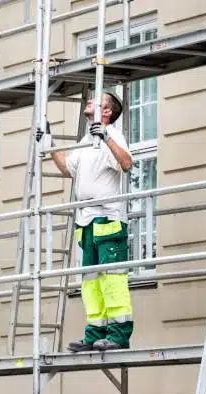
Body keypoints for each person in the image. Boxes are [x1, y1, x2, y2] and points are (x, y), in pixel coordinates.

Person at [50, 91, 134, 352]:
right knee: (90, 283)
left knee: (113, 279)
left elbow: (127, 163)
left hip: (107, 219)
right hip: (86, 222)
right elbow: (67, 168)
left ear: (107, 112)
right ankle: (95, 333)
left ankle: (118, 334)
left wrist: (106, 137)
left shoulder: (113, 135)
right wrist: (49, 144)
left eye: (97, 101)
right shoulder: (88, 140)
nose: (89, 101)